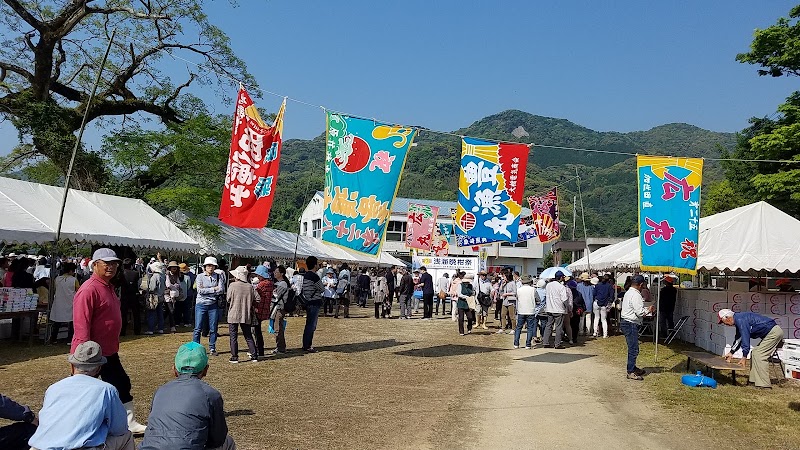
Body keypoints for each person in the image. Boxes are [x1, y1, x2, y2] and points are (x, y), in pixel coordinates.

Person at [71, 248, 146, 434]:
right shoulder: (88, 289)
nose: (111, 267)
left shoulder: (108, 286)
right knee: (85, 392)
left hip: (109, 350)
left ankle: (128, 421)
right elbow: (81, 325)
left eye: (114, 263)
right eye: (107, 263)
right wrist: (83, 357)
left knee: (121, 383)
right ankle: (76, 425)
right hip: (92, 354)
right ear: (95, 265)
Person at [29, 341, 134, 450]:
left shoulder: (53, 388)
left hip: (39, 447)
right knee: (126, 437)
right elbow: (120, 429)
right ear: (99, 369)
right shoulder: (106, 390)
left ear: (72, 366)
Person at [139, 342, 236, 450]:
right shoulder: (210, 394)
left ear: (174, 369)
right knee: (228, 442)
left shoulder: (160, 390)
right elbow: (218, 438)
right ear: (206, 370)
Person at [719, 309, 785, 389]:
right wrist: (731, 352)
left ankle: (764, 385)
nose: (725, 324)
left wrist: (744, 357)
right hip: (771, 332)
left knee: (759, 355)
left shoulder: (740, 320)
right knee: (754, 352)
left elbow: (745, 339)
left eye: (723, 322)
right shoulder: (739, 319)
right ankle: (753, 381)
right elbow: (739, 338)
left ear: (727, 317)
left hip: (773, 333)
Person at [620, 275, 655, 380]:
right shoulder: (636, 295)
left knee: (633, 347)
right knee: (633, 348)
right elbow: (639, 312)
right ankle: (630, 371)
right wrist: (649, 309)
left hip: (627, 321)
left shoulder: (628, 292)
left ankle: (633, 367)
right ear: (640, 284)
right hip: (631, 322)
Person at [226, 266, 259, 364]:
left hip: (233, 313)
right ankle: (254, 355)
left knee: (233, 336)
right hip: (246, 313)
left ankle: (234, 356)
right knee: (248, 335)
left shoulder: (232, 285)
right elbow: (258, 299)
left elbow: (228, 299)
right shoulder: (250, 286)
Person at [194, 257, 224, 356]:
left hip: (213, 304)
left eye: (212, 266)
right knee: (198, 327)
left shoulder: (218, 276)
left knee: (213, 328)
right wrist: (213, 289)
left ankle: (212, 348)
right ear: (205, 267)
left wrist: (207, 289)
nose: (210, 268)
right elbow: (200, 291)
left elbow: (221, 289)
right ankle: (195, 347)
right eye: (208, 266)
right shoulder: (199, 276)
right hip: (201, 304)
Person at [49, 262, 79, 344]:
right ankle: (69, 339)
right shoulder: (74, 280)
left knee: (57, 321)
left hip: (59, 301)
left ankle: (53, 338)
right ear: (70, 271)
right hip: (70, 302)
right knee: (71, 322)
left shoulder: (57, 279)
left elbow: (55, 289)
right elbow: (78, 290)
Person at [301, 256, 324, 352]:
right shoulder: (314, 276)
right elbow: (322, 288)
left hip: (308, 301)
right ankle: (307, 345)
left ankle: (306, 344)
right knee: (312, 325)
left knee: (308, 324)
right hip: (314, 302)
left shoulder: (306, 275)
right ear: (315, 265)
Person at [542, 271, 569, 349]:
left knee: (549, 325)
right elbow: (564, 299)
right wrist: (568, 307)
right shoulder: (561, 287)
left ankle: (546, 342)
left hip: (549, 308)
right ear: (561, 277)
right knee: (558, 327)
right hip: (559, 309)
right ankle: (557, 344)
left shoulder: (548, 285)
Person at [252, 265, 273, 358]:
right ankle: (259, 350)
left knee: (257, 331)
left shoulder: (261, 285)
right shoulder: (270, 284)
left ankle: (259, 350)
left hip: (259, 309)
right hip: (265, 309)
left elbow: (255, 295)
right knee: (258, 331)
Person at [513, 275, 537, 349]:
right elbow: (538, 300)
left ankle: (516, 344)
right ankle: (528, 344)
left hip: (521, 310)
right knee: (530, 328)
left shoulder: (519, 290)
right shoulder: (533, 289)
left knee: (518, 328)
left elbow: (517, 297)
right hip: (531, 310)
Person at [119, 259, 141, 336]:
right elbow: (138, 284)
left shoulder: (122, 274)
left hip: (124, 296)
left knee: (123, 314)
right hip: (134, 295)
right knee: (136, 314)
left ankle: (122, 331)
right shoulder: (136, 273)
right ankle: (137, 331)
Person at [270, 266, 290, 354]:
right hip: (278, 307)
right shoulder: (280, 283)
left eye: (276, 272)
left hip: (279, 308)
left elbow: (276, 296)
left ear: (281, 273)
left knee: (278, 328)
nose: (275, 273)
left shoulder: (282, 284)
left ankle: (281, 347)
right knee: (277, 327)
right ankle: (280, 347)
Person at [567, 279, 586, 344]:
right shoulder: (579, 293)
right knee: (576, 325)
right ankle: (574, 338)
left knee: (568, 325)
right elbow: (582, 303)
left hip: (569, 310)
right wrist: (582, 309)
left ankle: (569, 337)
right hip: (577, 311)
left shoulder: (567, 293)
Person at [181, 263, 197, 327]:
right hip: (189, 293)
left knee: (181, 308)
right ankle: (186, 322)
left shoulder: (179, 275)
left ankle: (180, 321)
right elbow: (193, 285)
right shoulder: (191, 275)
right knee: (187, 309)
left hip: (182, 294)